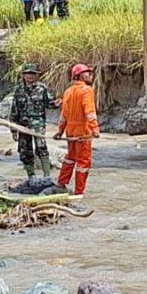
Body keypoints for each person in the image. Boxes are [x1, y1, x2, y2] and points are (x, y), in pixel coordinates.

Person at [55, 63, 99, 195]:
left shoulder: (68, 92)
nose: (90, 75)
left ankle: (61, 183)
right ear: (79, 75)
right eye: (87, 73)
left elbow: (64, 115)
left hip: (71, 132)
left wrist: (60, 131)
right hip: (83, 133)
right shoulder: (86, 90)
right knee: (83, 163)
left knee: (70, 158)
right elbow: (89, 111)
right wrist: (95, 128)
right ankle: (79, 192)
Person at [10, 63, 56, 179]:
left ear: (36, 75)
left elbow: (49, 103)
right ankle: (31, 176)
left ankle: (47, 176)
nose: (30, 76)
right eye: (28, 73)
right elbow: (14, 110)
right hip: (23, 125)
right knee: (25, 151)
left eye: (32, 73)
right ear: (23, 75)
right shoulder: (18, 90)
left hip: (38, 124)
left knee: (41, 148)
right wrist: (13, 129)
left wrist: (56, 104)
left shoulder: (42, 88)